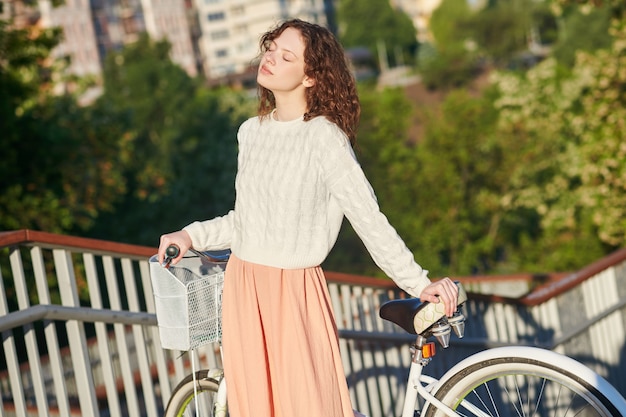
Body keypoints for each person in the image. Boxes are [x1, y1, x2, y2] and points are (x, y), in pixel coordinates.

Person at [157, 18, 459, 417]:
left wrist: (418, 283)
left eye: (287, 56)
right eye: (271, 49)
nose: (271, 59)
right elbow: (246, 221)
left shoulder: (323, 137)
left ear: (311, 77)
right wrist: (190, 235)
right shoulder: (251, 132)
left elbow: (368, 219)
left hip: (294, 294)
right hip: (244, 288)